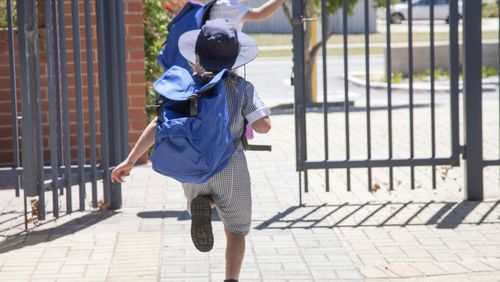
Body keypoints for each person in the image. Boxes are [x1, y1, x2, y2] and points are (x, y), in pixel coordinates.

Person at [111, 19, 271, 282]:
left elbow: (158, 124)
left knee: (205, 194)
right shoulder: (241, 87)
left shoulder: (184, 86)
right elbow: (263, 127)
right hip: (230, 167)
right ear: (234, 59)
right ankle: (231, 279)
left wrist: (130, 160)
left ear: (196, 56)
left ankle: (204, 203)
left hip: (193, 168)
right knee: (236, 230)